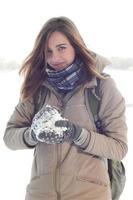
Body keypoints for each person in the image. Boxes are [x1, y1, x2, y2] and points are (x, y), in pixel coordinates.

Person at [3, 16, 128, 200]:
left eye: (61, 48)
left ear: (76, 46)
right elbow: (9, 137)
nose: (55, 58)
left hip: (90, 195)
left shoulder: (101, 87)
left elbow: (119, 148)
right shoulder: (37, 89)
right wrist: (32, 134)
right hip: (40, 194)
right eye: (48, 52)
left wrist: (78, 134)